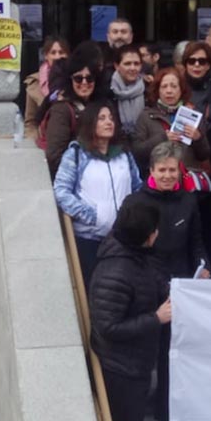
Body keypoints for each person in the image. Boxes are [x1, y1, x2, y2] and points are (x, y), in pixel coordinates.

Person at [88, 199, 172, 421]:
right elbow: (108, 327)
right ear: (147, 236)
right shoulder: (116, 270)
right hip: (120, 374)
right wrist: (156, 318)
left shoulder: (134, 259)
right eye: (155, 230)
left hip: (134, 368)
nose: (157, 234)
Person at [123, 141, 208, 421]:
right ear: (151, 171)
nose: (168, 176)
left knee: (171, 349)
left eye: (172, 170)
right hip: (145, 282)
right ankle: (137, 402)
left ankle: (165, 408)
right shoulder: (135, 202)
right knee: (145, 348)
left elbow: (197, 241)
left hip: (179, 282)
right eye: (162, 170)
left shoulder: (188, 200)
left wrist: (203, 266)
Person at [53, 103, 143, 289]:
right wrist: (91, 215)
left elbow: (137, 188)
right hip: (90, 240)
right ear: (90, 122)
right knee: (94, 291)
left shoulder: (124, 154)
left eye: (111, 118)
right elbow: (61, 190)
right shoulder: (76, 154)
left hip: (123, 240)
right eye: (102, 118)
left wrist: (131, 218)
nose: (108, 122)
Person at [180, 41, 211, 269]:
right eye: (192, 60)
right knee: (184, 224)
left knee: (210, 225)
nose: (197, 65)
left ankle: (210, 270)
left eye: (202, 61)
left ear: (210, 64)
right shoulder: (177, 88)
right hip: (181, 166)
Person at [130, 66, 210, 176]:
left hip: (187, 181)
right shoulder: (146, 116)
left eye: (174, 86)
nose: (169, 91)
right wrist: (163, 138)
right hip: (159, 180)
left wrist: (198, 138)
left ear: (181, 90)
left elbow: (204, 155)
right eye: (164, 87)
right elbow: (138, 153)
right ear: (158, 90)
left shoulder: (192, 113)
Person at [43, 48, 102, 178]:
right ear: (70, 80)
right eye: (78, 78)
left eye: (90, 78)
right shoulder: (61, 109)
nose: (84, 83)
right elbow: (54, 156)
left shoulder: (102, 106)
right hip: (73, 182)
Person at [109, 44, 148, 135]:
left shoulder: (149, 91)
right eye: (127, 64)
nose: (133, 68)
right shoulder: (107, 92)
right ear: (116, 66)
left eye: (136, 64)